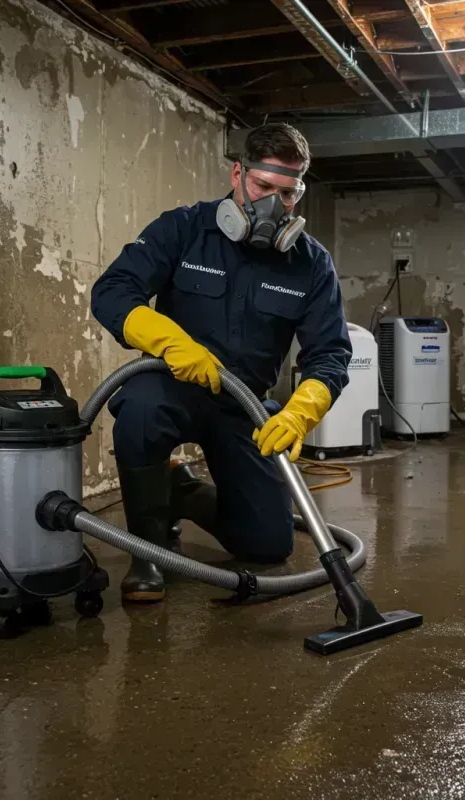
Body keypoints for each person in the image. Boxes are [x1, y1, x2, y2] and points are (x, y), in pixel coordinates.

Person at [91, 122, 352, 602]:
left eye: (288, 194)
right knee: (140, 411)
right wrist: (168, 340)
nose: (275, 205)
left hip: (244, 405)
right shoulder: (184, 228)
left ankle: (182, 493)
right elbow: (111, 292)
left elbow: (330, 352)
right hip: (172, 386)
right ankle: (146, 552)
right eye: (263, 187)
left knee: (268, 546)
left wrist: (300, 410)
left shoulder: (311, 263)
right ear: (238, 174)